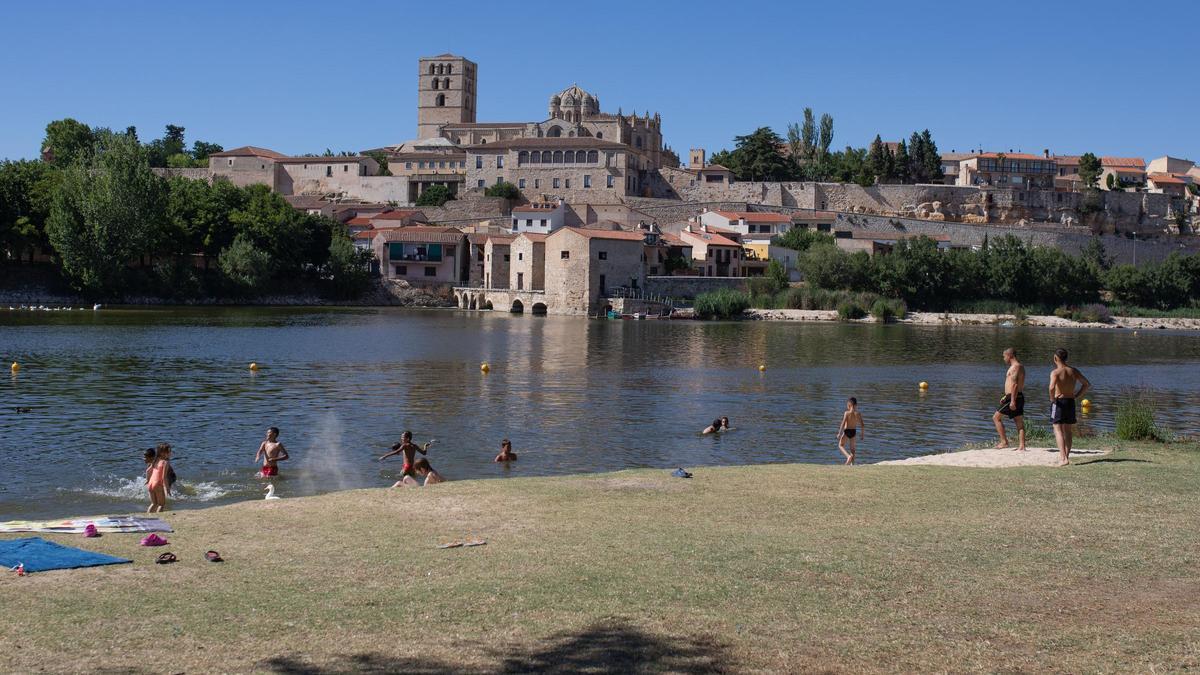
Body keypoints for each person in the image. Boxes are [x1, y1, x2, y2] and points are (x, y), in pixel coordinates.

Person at [1049, 348, 1090, 466]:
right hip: (1070, 401)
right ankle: (1066, 456)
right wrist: (1077, 395)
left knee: (1057, 428)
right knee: (1067, 430)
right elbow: (1087, 384)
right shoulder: (1074, 371)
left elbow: (1051, 387)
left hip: (1059, 402)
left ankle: (1063, 458)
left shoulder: (1055, 372)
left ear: (1055, 358)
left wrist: (1052, 399)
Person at [993, 348, 1027, 451]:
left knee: (996, 418)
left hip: (1013, 397)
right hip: (1017, 396)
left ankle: (1004, 442)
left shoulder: (1015, 368)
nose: (1004, 359)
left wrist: (1012, 400)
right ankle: (1022, 446)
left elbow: (1015, 385)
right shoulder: (1020, 367)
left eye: (1004, 356)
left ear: (1010, 355)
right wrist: (1005, 396)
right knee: (1019, 421)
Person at [146, 443, 172, 513]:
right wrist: (167, 488)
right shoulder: (165, 462)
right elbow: (164, 477)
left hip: (150, 484)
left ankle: (148, 517)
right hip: (157, 484)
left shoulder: (155, 460)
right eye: (169, 451)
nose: (170, 453)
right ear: (163, 453)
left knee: (154, 503)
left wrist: (148, 480)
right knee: (161, 504)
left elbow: (148, 471)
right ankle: (159, 518)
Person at [837, 398, 864, 465]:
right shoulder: (858, 414)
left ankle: (848, 456)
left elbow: (843, 423)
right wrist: (862, 434)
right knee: (852, 449)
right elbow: (862, 425)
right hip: (853, 432)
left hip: (847, 431)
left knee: (840, 445)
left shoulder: (847, 413)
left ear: (849, 405)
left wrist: (839, 433)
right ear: (856, 405)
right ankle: (853, 464)